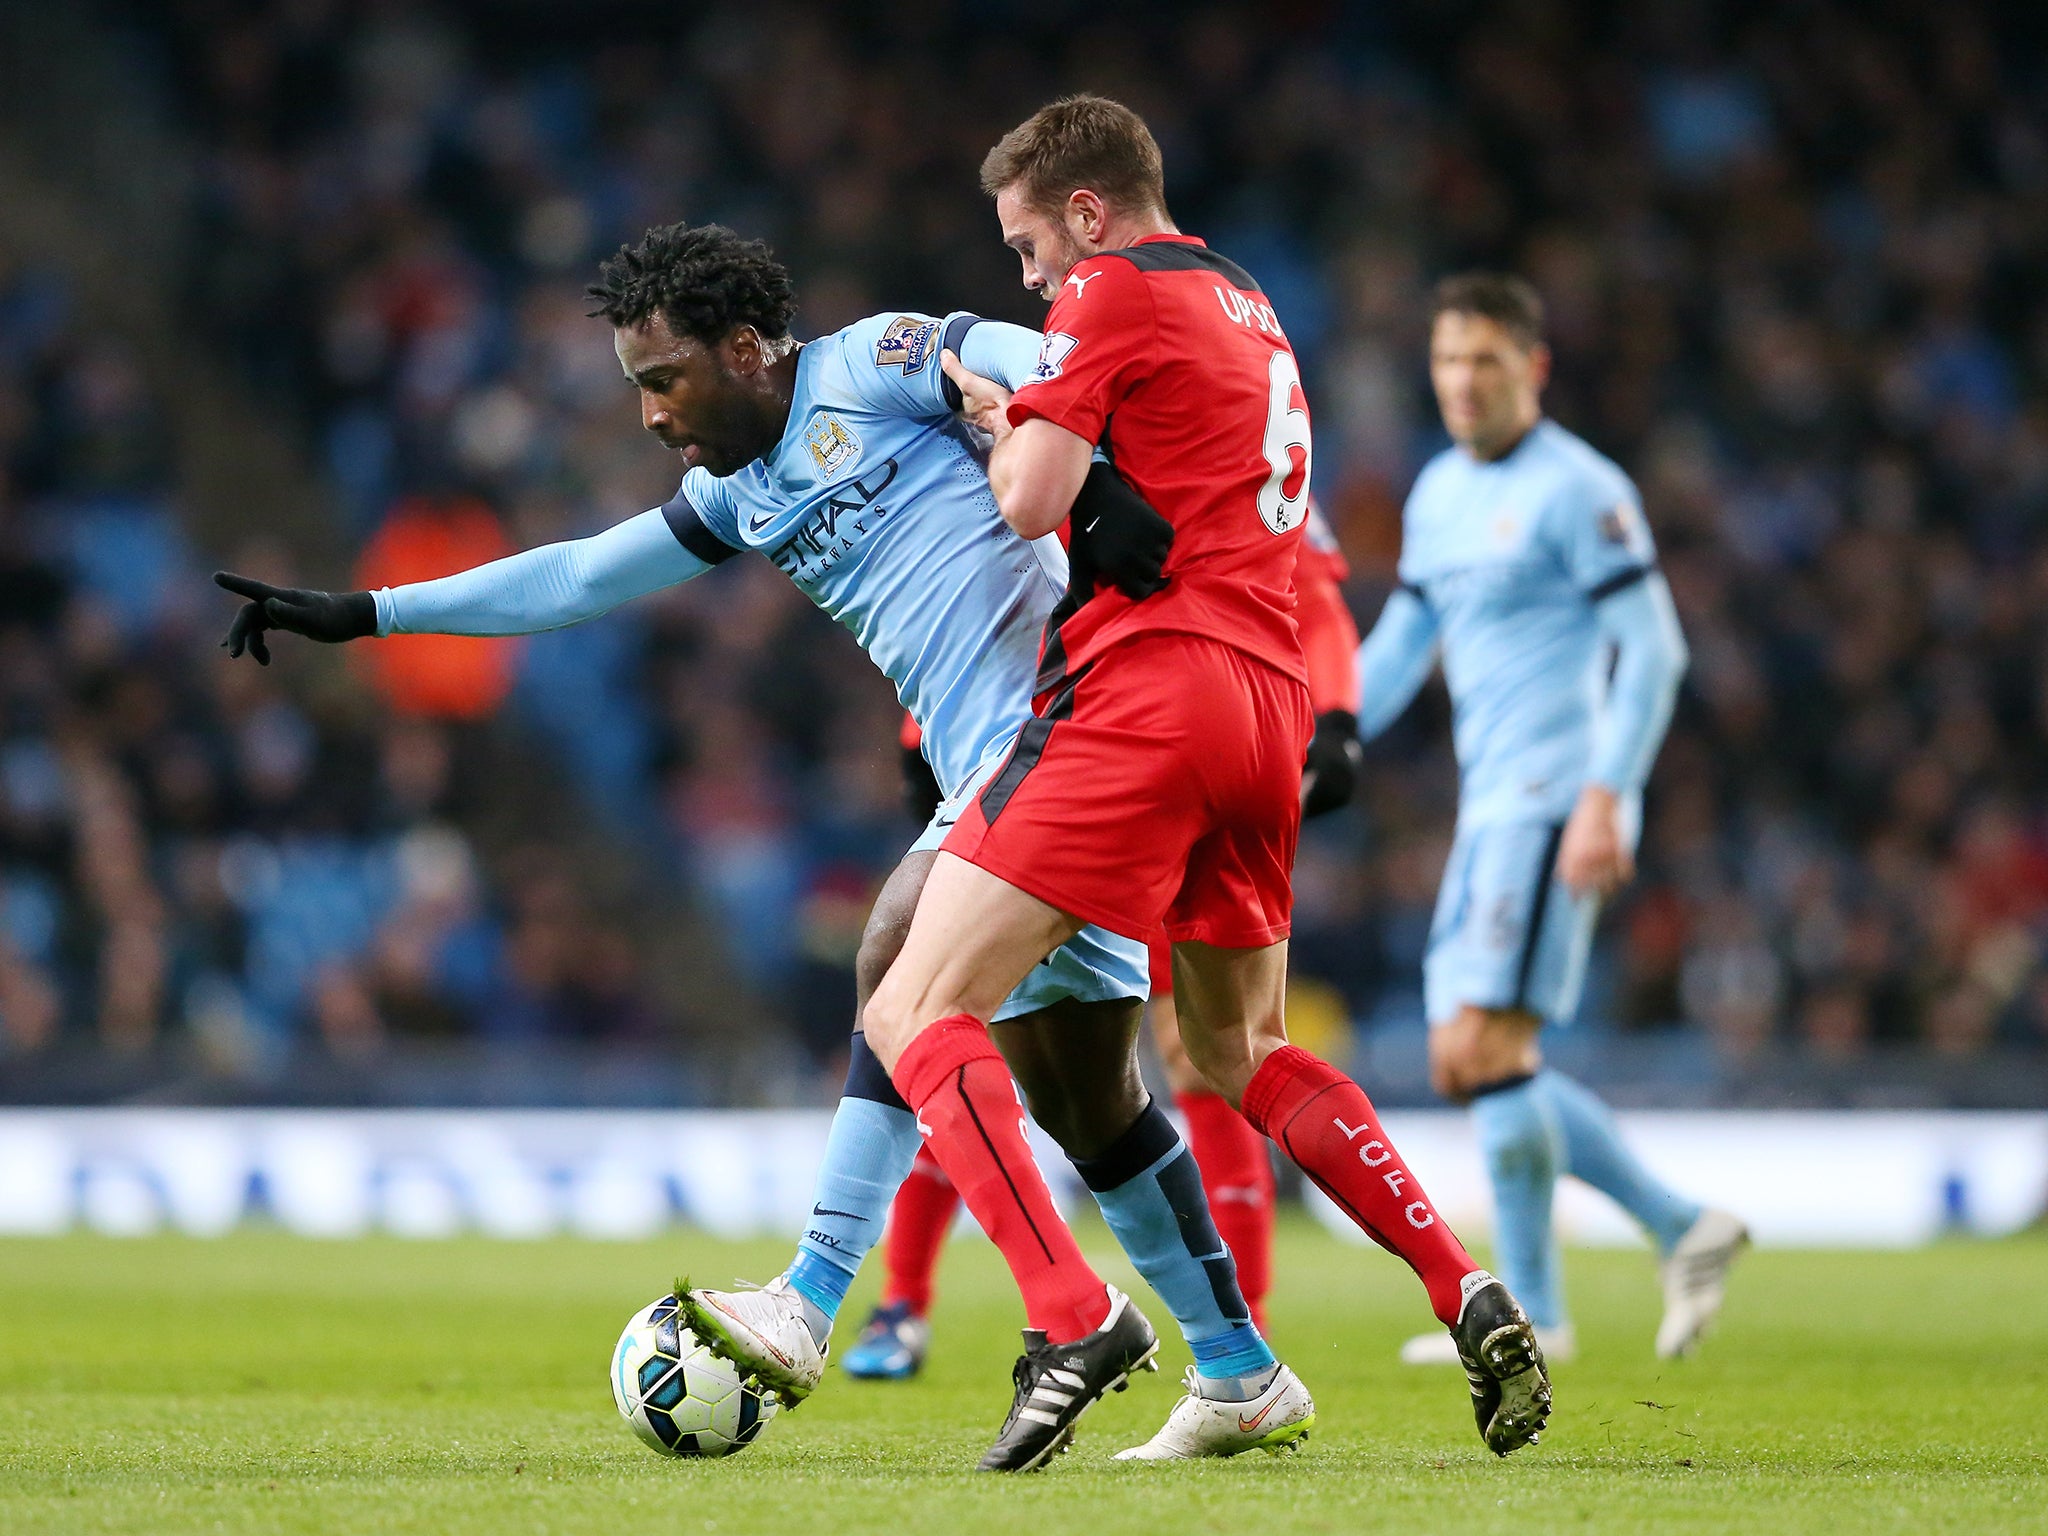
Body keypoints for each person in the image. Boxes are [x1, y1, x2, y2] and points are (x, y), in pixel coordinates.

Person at [215, 219, 1298, 1464]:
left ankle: (823, 1299)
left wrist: (1090, 465)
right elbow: (573, 578)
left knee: (894, 961)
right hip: (1016, 761)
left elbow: (1033, 346)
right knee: (1090, 1103)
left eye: (661, 379)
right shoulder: (735, 498)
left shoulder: (878, 362)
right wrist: (368, 613)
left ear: (742, 350)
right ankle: (1238, 1368)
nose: (650, 416)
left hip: (1069, 723)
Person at [801, 95, 1550, 1472]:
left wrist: (999, 398)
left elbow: (1028, 496)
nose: (1029, 277)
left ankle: (1071, 1319)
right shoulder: (1248, 300)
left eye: (1030, 244)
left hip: (1149, 691)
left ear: (1086, 212)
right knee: (1231, 1052)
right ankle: (1457, 1288)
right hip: (1268, 706)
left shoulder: (1109, 289)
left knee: (910, 997)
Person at [842, 504, 1362, 1379]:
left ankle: (1238, 1322)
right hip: (1051, 761)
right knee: (958, 1020)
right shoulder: (1066, 439)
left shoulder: (1208, 450)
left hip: (1158, 763)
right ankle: (903, 1300)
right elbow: (985, 588)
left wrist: (1339, 717)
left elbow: (1312, 589)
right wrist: (916, 738)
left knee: (1180, 1050)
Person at [1352, 272, 1747, 1367]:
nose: (1460, 383)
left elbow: (1655, 648)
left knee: (1486, 1045)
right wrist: (1317, 740)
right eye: (1445, 361)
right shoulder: (1435, 493)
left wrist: (1606, 794)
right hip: (1489, 805)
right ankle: (1675, 1227)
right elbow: (1398, 648)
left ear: (1530, 368)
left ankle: (1535, 1312)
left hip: (1554, 795)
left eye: (1482, 361)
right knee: (1461, 1056)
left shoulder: (1579, 488)